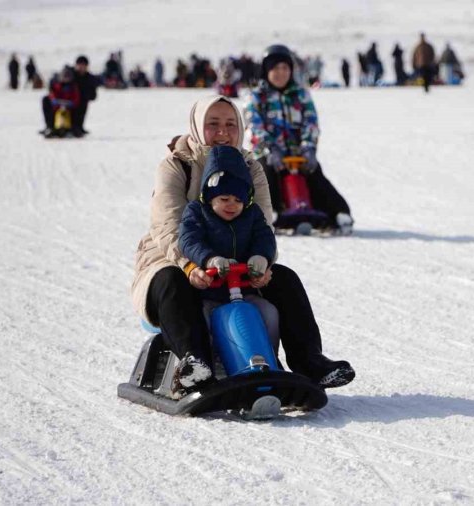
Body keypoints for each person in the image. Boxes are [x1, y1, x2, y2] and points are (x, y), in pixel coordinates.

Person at [131, 95, 355, 396]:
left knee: (285, 279)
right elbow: (167, 226)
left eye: (230, 124)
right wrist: (190, 265)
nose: (223, 132)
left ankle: (310, 360)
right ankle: (194, 364)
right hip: (173, 258)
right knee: (173, 282)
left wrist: (263, 263)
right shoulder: (177, 166)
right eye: (213, 124)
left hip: (234, 267)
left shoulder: (250, 167)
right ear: (198, 127)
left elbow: (262, 226)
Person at [175, 145, 279, 397]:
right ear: (210, 196)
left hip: (242, 290)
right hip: (209, 292)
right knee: (201, 321)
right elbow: (187, 240)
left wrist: (260, 258)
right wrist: (209, 259)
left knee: (268, 312)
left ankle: (268, 362)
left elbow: (265, 238)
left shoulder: (252, 215)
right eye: (224, 199)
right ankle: (207, 368)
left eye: (238, 200)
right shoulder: (196, 212)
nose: (231, 205)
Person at [245, 44, 354, 234]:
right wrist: (269, 148)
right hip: (269, 154)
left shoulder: (301, 95)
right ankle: (269, 215)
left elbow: (310, 123)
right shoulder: (257, 97)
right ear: (266, 71)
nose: (281, 73)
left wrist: (308, 148)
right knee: (265, 175)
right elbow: (253, 126)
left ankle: (337, 213)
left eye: (285, 68)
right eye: (275, 69)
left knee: (315, 175)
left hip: (298, 154)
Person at [40, 66, 81, 137]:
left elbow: (76, 98)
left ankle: (74, 128)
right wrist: (55, 102)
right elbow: (52, 95)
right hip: (57, 109)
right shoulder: (56, 86)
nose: (66, 79)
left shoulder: (73, 87)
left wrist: (71, 103)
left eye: (68, 77)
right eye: (64, 76)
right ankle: (50, 127)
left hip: (69, 110)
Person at [73, 55, 99, 135]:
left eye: (83, 65)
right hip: (67, 99)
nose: (81, 67)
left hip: (80, 102)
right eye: (79, 65)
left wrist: (84, 94)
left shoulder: (90, 78)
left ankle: (78, 127)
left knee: (83, 101)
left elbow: (93, 96)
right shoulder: (71, 75)